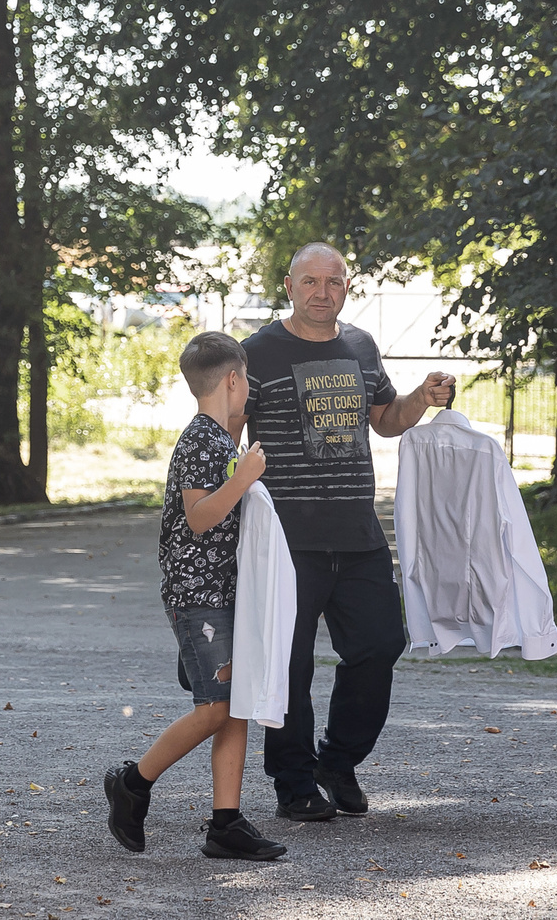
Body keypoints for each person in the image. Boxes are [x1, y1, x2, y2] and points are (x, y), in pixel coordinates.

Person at [239, 243, 458, 823]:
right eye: (309, 281)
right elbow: (227, 426)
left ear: (346, 286)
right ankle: (293, 784)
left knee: (380, 645)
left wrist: (422, 398)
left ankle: (337, 760)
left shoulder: (360, 346)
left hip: (359, 534)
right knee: (290, 665)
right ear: (289, 286)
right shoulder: (256, 353)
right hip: (287, 538)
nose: (321, 292)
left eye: (332, 282)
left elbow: (385, 420)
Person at [101, 332, 288, 863]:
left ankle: (226, 823)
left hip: (225, 592)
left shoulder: (219, 438)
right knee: (216, 707)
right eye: (246, 379)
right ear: (232, 380)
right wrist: (245, 476)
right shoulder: (200, 442)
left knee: (235, 707)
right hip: (198, 596)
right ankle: (133, 782)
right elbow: (200, 517)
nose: (248, 389)